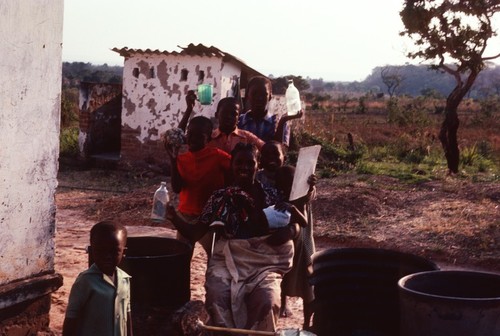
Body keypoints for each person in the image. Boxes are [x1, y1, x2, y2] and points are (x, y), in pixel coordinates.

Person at [167, 143, 297, 333]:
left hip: (264, 263)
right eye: (239, 163)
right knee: (217, 294)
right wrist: (173, 217)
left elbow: (294, 222)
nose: (244, 167)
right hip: (227, 260)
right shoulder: (220, 198)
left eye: (249, 163)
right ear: (231, 165)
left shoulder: (272, 195)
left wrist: (290, 232)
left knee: (267, 300)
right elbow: (196, 232)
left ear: (257, 164)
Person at [166, 115, 231, 255]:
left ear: (208, 138)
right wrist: (173, 161)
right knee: (181, 257)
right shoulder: (182, 159)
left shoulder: (219, 157)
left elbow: (234, 173)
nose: (193, 139)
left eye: (199, 135)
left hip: (208, 217)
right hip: (185, 215)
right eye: (190, 134)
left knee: (214, 257)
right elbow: (177, 188)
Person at [63, 221, 132, 336]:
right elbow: (71, 318)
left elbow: (127, 314)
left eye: (114, 251)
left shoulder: (125, 279)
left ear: (123, 252)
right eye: (101, 250)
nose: (107, 256)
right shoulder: (85, 281)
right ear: (92, 250)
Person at [275, 165, 317, 330]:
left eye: (292, 183)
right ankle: (283, 305)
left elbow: (304, 220)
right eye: (284, 184)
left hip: (304, 243)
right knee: (284, 277)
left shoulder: (300, 197)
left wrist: (292, 207)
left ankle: (307, 323)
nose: (289, 188)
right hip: (288, 244)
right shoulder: (278, 196)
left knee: (308, 283)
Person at [238, 76, 303, 146]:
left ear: (270, 96)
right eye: (254, 94)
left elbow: (280, 151)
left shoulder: (278, 123)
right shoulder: (238, 121)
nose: (259, 98)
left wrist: (282, 121)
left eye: (264, 94)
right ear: (247, 95)